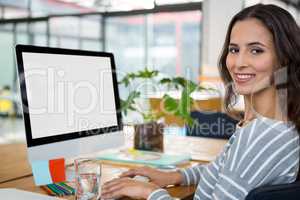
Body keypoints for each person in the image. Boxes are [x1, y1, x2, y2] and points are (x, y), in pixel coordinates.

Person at [101, 4, 300, 200]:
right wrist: (175, 176)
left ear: (284, 58)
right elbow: (230, 171)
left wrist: (149, 193)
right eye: (234, 49)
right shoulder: (277, 124)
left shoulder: (260, 136)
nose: (239, 63)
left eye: (256, 50)